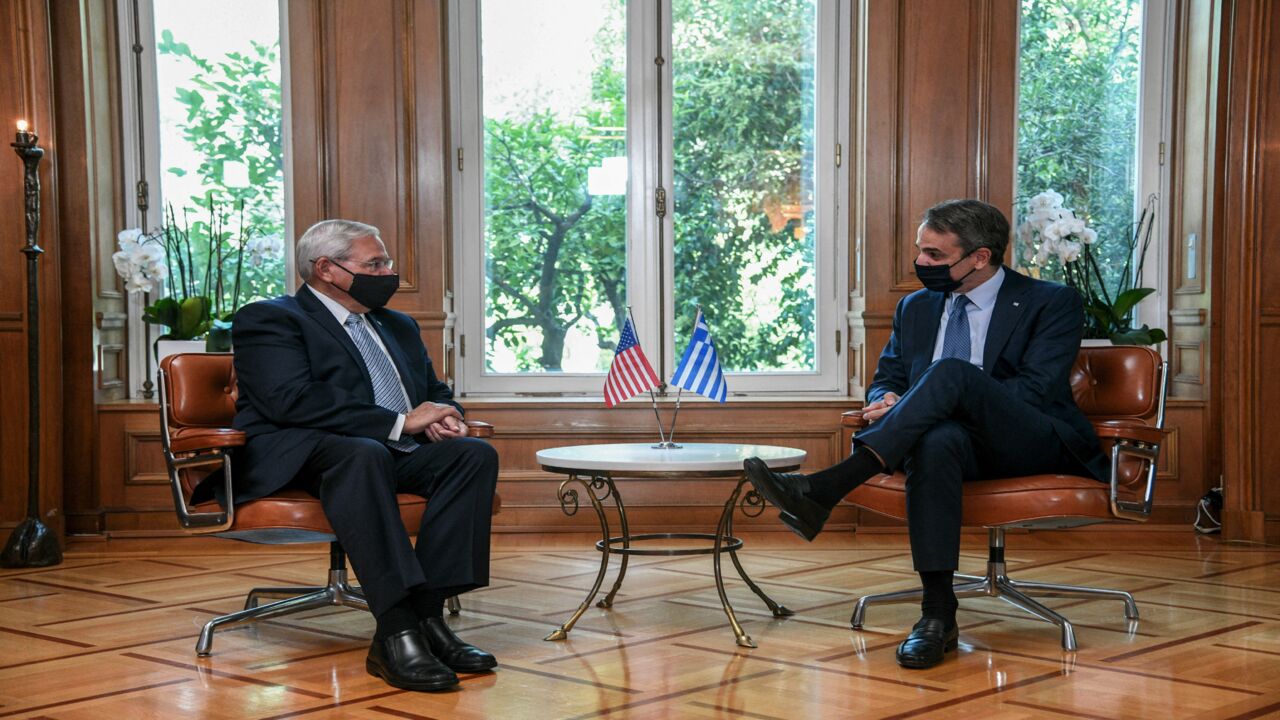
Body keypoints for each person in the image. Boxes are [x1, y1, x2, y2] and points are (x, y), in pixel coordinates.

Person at [745, 198, 1106, 670]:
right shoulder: (916, 307)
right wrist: (890, 398)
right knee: (936, 441)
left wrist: (949, 392)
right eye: (920, 251)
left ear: (980, 257)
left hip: (1031, 439)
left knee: (952, 374)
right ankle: (938, 615)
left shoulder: (1050, 301)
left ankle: (827, 486)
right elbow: (889, 375)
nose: (920, 264)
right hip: (953, 443)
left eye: (935, 255)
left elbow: (1036, 390)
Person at [228, 219, 499, 692]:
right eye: (375, 263)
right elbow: (289, 399)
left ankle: (428, 617)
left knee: (472, 454)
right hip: (302, 454)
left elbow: (435, 390)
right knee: (361, 453)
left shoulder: (398, 324)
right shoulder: (270, 318)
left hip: (386, 450)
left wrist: (445, 414)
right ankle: (396, 629)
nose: (389, 271)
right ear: (326, 269)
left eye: (387, 261)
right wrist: (398, 423)